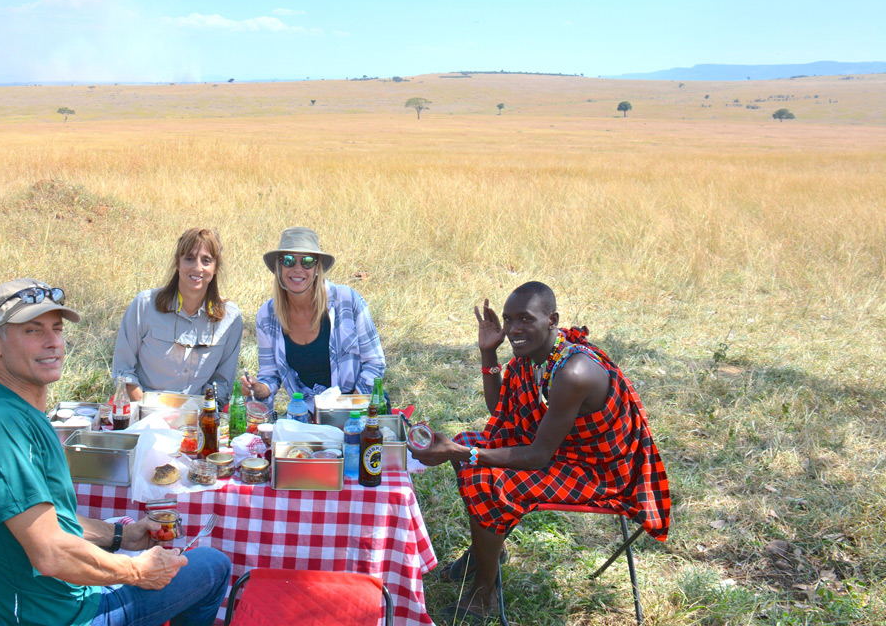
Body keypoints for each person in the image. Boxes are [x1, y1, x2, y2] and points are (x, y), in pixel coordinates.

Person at [0, 278, 231, 626]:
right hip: (54, 616)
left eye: (56, 328)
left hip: (59, 600)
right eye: (32, 331)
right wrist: (137, 570)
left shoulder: (13, 407)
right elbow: (51, 552)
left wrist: (121, 536)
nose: (53, 342)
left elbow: (48, 520)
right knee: (212, 567)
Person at [409, 281, 671, 622]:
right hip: (563, 453)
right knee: (470, 444)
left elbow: (536, 457)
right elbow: (500, 409)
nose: (514, 329)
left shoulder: (573, 372)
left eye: (524, 319)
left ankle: (483, 592)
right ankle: (485, 553)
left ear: (552, 320)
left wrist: (461, 453)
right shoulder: (536, 358)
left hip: (599, 473)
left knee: (481, 474)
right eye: (508, 320)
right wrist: (488, 352)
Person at [241, 227, 386, 414]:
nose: (298, 269)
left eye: (307, 261)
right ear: (279, 267)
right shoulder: (268, 315)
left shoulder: (348, 301)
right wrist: (259, 389)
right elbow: (270, 375)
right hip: (307, 414)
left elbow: (375, 363)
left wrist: (348, 409)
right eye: (289, 260)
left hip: (359, 409)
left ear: (317, 268)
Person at [112, 228, 242, 407]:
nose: (197, 267)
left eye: (206, 260)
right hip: (145, 413)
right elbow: (123, 372)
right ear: (177, 263)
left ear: (215, 268)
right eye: (189, 258)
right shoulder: (144, 305)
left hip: (199, 417)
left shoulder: (231, 318)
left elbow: (222, 383)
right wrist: (147, 411)